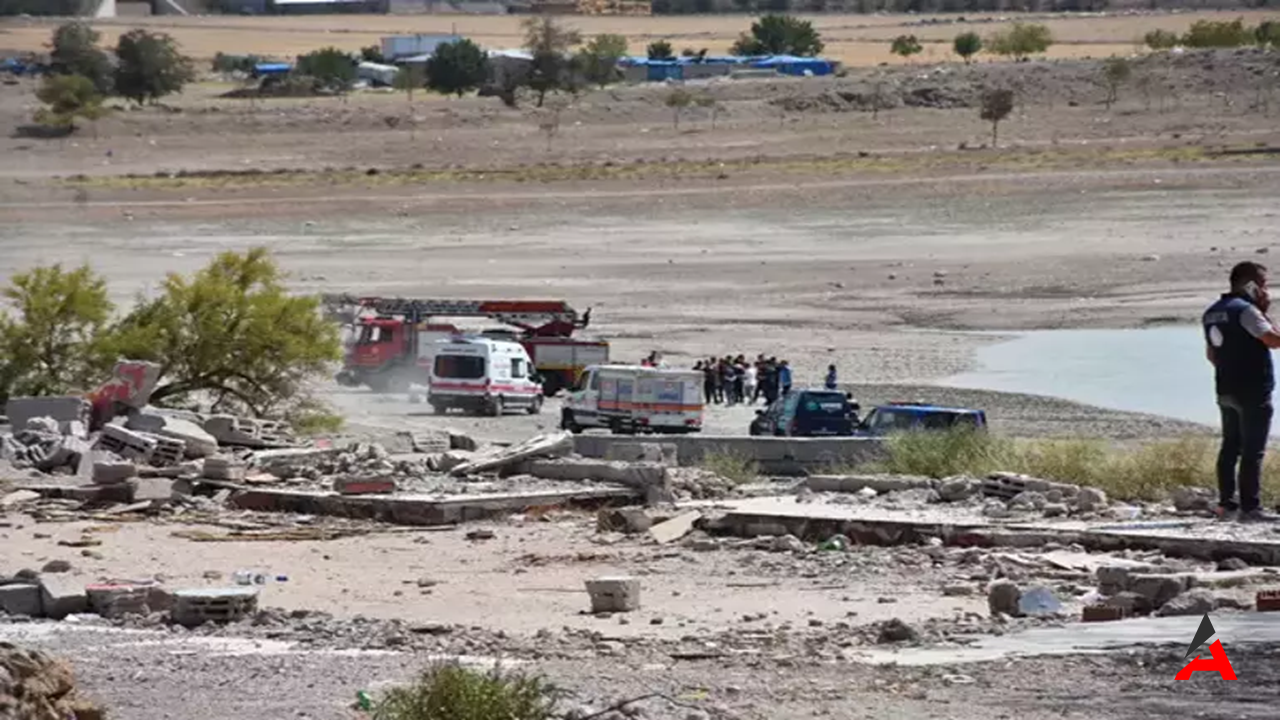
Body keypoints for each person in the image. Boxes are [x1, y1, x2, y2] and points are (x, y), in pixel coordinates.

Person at [1203, 261, 1280, 522]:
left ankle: (1227, 504)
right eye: (1263, 284)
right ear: (1250, 285)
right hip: (1253, 390)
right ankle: (1251, 508)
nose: (1265, 290)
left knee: (1230, 446)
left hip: (1225, 388)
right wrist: (1264, 311)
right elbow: (1273, 341)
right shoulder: (1247, 311)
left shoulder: (1212, 312)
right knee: (1252, 451)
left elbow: (1212, 355)